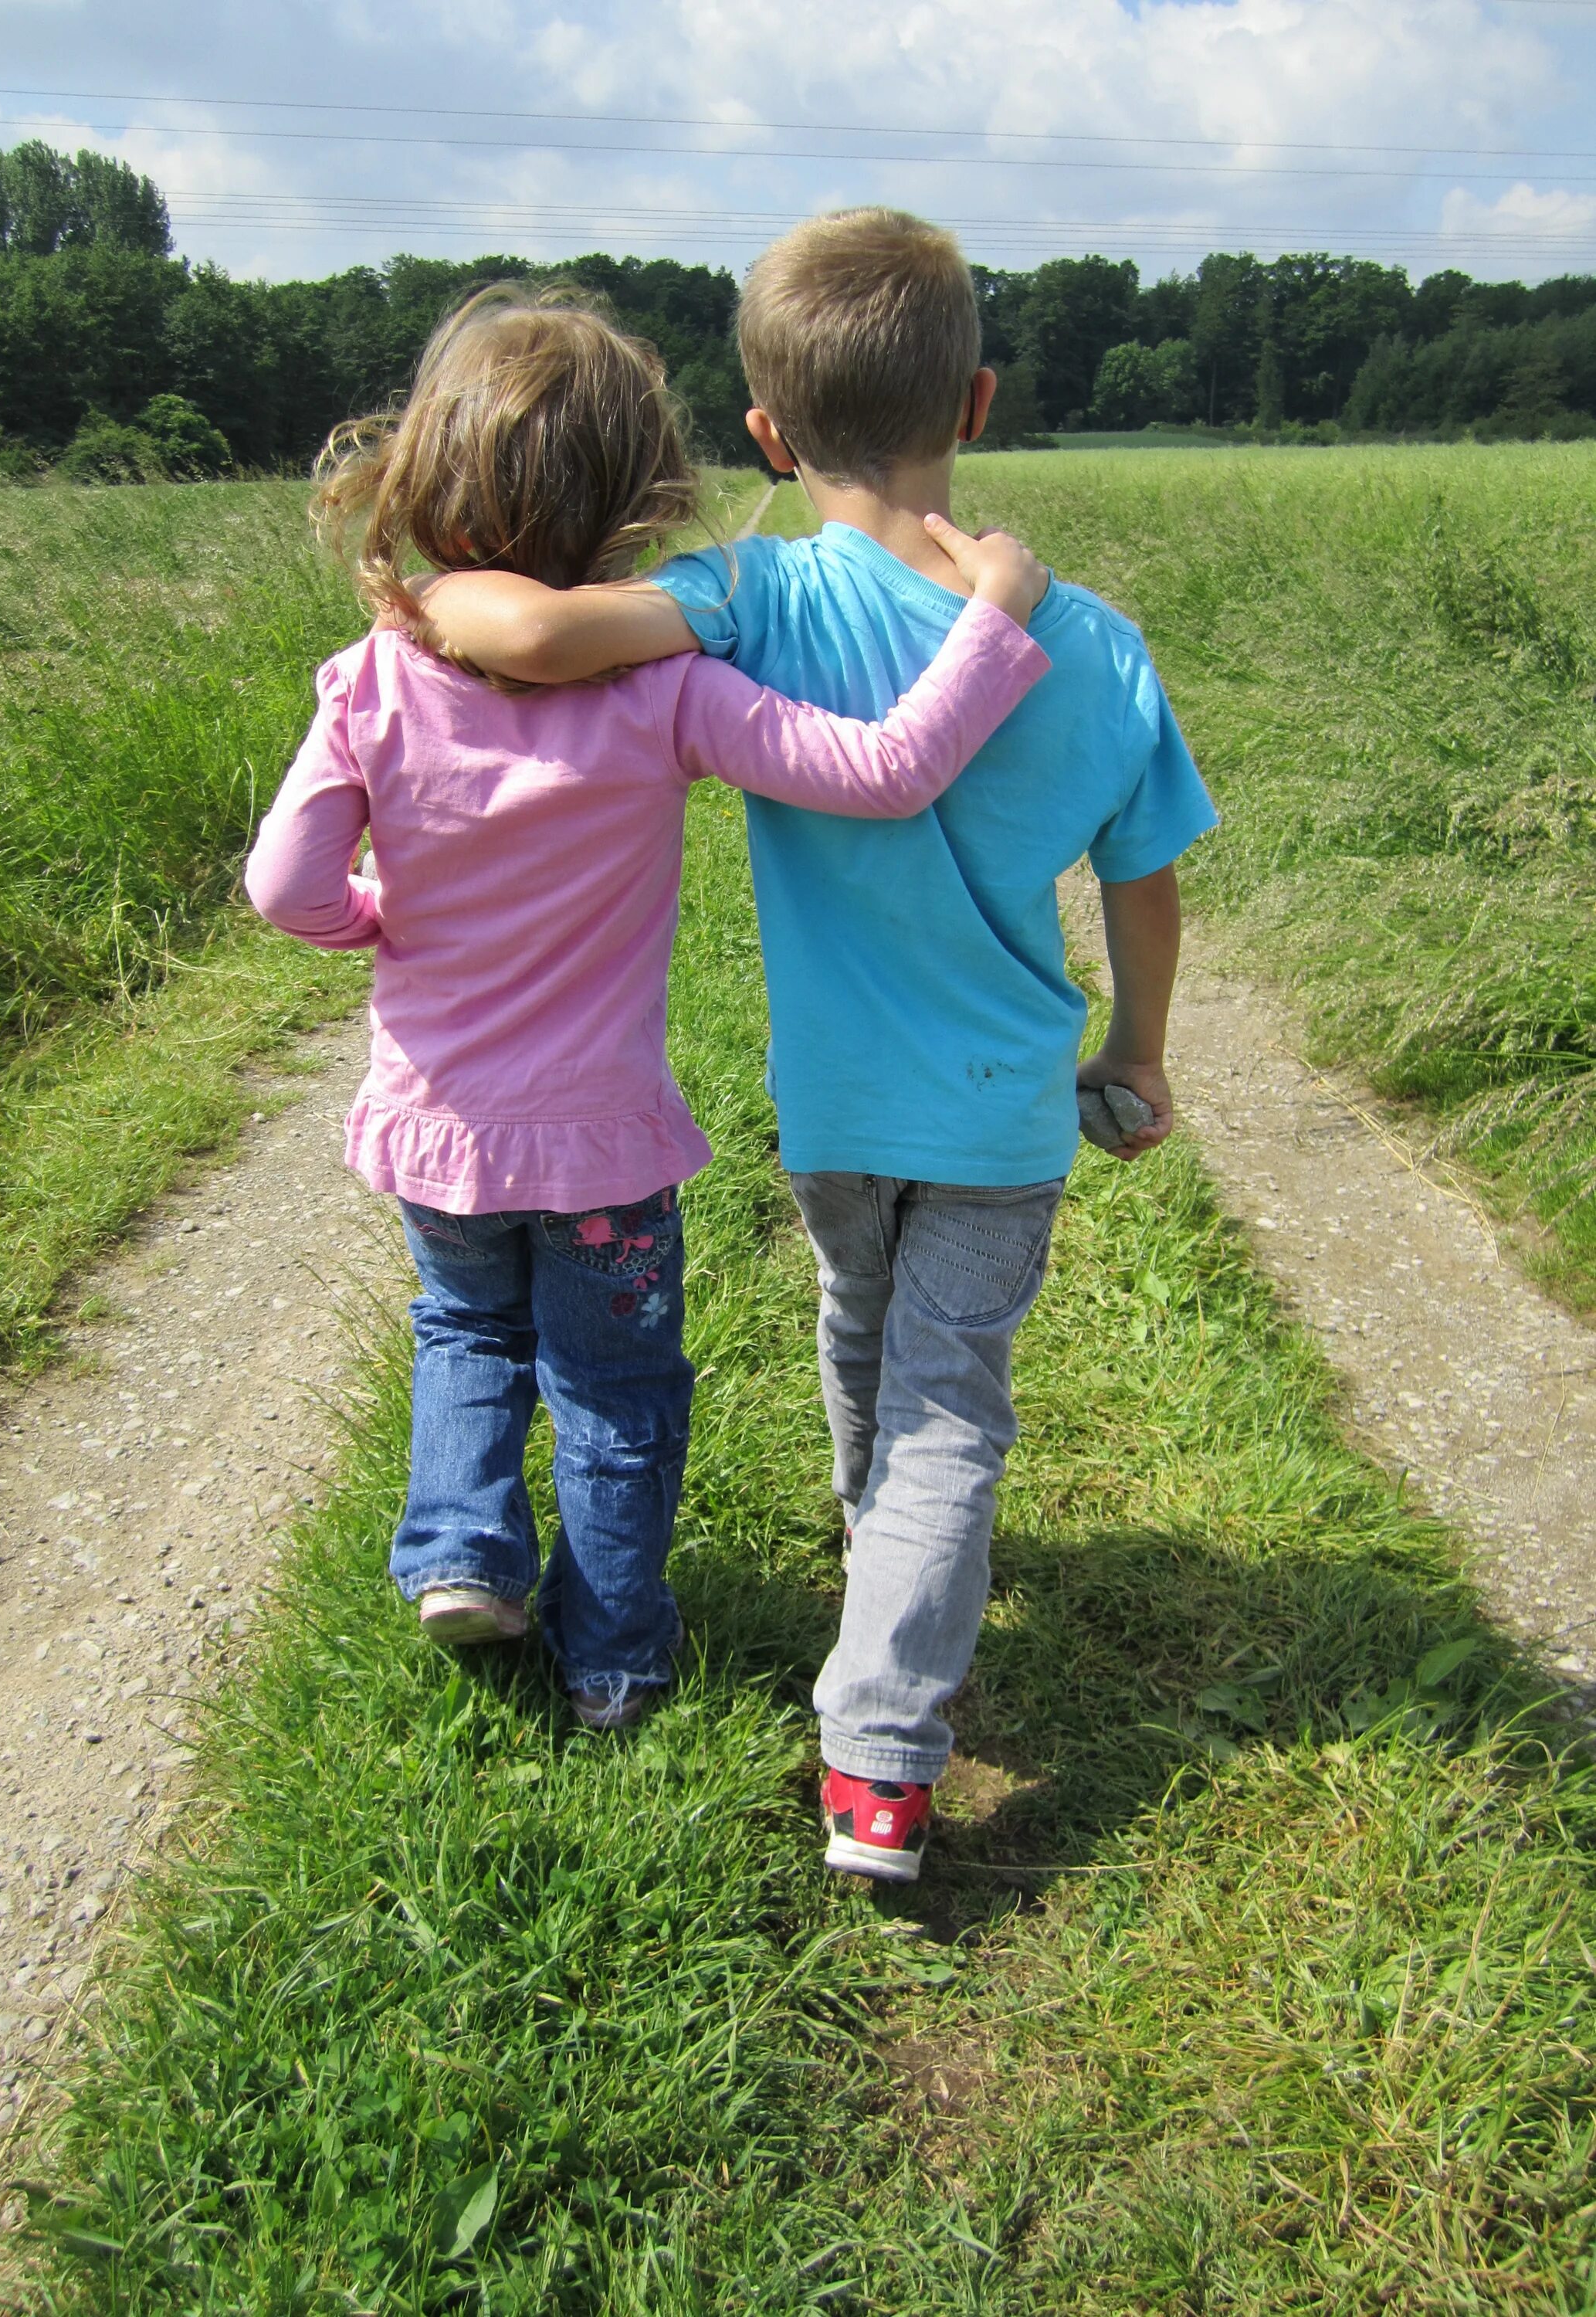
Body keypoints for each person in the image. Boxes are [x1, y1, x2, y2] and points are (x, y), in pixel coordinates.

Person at [415, 216, 1218, 1872]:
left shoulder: (748, 596)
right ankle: (883, 1751)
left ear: (768, 438)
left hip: (835, 1111)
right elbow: (1145, 890)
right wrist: (1137, 1056)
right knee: (949, 1409)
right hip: (1000, 1119)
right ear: (978, 404)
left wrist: (422, 595)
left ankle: (885, 1603)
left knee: (864, 1337)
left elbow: (540, 639)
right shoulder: (1095, 640)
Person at [244, 283, 1052, 1734]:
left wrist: (372, 921)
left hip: (439, 1132)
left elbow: (285, 885)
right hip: (603, 1153)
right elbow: (883, 772)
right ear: (636, 498)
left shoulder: (375, 675)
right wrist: (990, 623)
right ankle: (614, 1656)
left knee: (464, 1331)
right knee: (617, 1390)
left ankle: (458, 1550)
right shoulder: (669, 686)